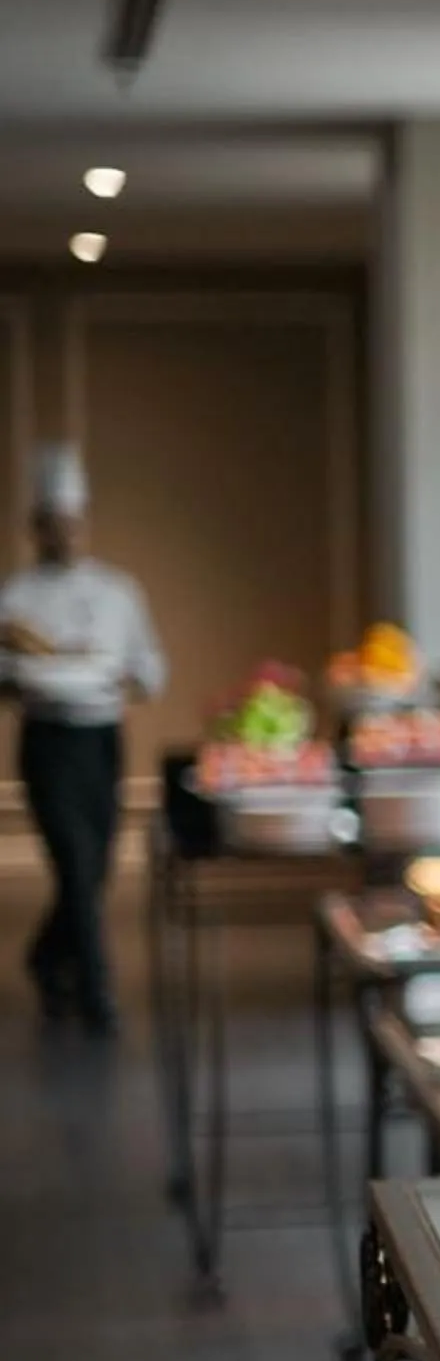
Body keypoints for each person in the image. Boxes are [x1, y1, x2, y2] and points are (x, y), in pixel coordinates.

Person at [3, 443, 165, 1034]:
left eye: (72, 523)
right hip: (47, 743)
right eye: (52, 525)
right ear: (35, 528)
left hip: (103, 739)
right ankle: (99, 992)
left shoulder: (119, 593)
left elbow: (152, 669)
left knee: (94, 868)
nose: (64, 534)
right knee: (73, 860)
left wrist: (118, 671)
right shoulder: (13, 601)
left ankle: (46, 958)